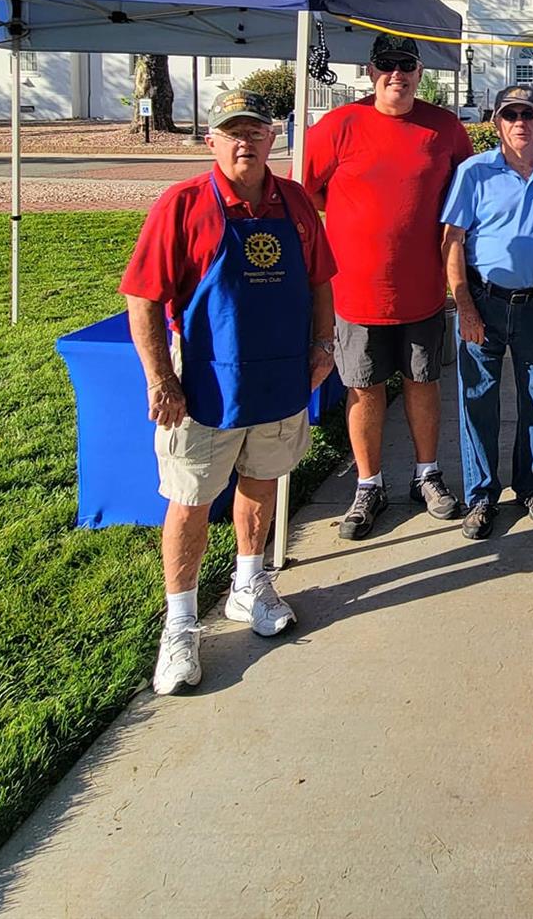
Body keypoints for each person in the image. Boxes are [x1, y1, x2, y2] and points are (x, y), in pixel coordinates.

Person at [119, 90, 337, 695]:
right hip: (204, 384)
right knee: (190, 500)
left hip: (280, 377)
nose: (245, 142)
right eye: (231, 132)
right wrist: (161, 378)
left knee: (261, 480)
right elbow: (141, 295)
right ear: (212, 141)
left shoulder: (294, 202)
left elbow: (321, 280)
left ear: (273, 138)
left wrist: (323, 346)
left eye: (256, 131)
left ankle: (249, 584)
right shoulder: (183, 204)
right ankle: (182, 624)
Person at [301, 32, 473, 539]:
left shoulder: (443, 129)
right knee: (364, 387)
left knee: (423, 382)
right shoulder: (339, 125)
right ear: (370, 72)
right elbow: (306, 193)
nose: (396, 73)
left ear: (421, 73)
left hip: (422, 289)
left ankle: (427, 475)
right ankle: (368, 483)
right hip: (355, 293)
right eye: (386, 64)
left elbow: (463, 198)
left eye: (406, 64)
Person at [442, 86, 533, 539]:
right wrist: (465, 307)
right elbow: (452, 243)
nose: (520, 122)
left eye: (528, 113)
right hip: (484, 302)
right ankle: (480, 496)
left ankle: (532, 485)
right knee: (479, 401)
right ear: (497, 123)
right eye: (510, 114)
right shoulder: (473, 173)